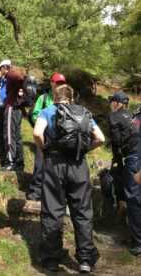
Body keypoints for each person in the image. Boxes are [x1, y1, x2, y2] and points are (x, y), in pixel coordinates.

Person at [33, 84, 105, 273]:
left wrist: (43, 150)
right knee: (82, 212)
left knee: (52, 211)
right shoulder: (83, 112)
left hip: (54, 164)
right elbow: (100, 138)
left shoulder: (47, 111)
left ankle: (51, 260)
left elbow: (37, 133)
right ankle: (85, 260)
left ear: (55, 96)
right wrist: (84, 151)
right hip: (78, 165)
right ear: (72, 98)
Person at [108, 92, 141, 256]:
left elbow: (116, 140)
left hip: (134, 160)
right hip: (137, 155)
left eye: (111, 102)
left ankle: (138, 243)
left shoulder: (114, 117)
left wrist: (117, 157)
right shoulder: (134, 116)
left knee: (133, 198)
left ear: (116, 103)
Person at [26, 73, 66, 201]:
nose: (59, 85)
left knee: (59, 165)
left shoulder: (67, 99)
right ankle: (36, 190)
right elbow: (35, 114)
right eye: (57, 82)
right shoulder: (43, 98)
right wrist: (43, 124)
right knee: (40, 162)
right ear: (51, 83)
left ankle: (54, 192)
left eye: (61, 83)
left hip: (61, 137)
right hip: (44, 135)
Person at [0, 59, 25, 171]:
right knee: (17, 136)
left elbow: (21, 78)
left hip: (11, 108)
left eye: (1, 68)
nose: (0, 70)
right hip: (18, 108)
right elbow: (22, 79)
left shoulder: (10, 74)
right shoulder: (15, 74)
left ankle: (10, 162)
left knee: (9, 135)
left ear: (5, 67)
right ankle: (19, 162)